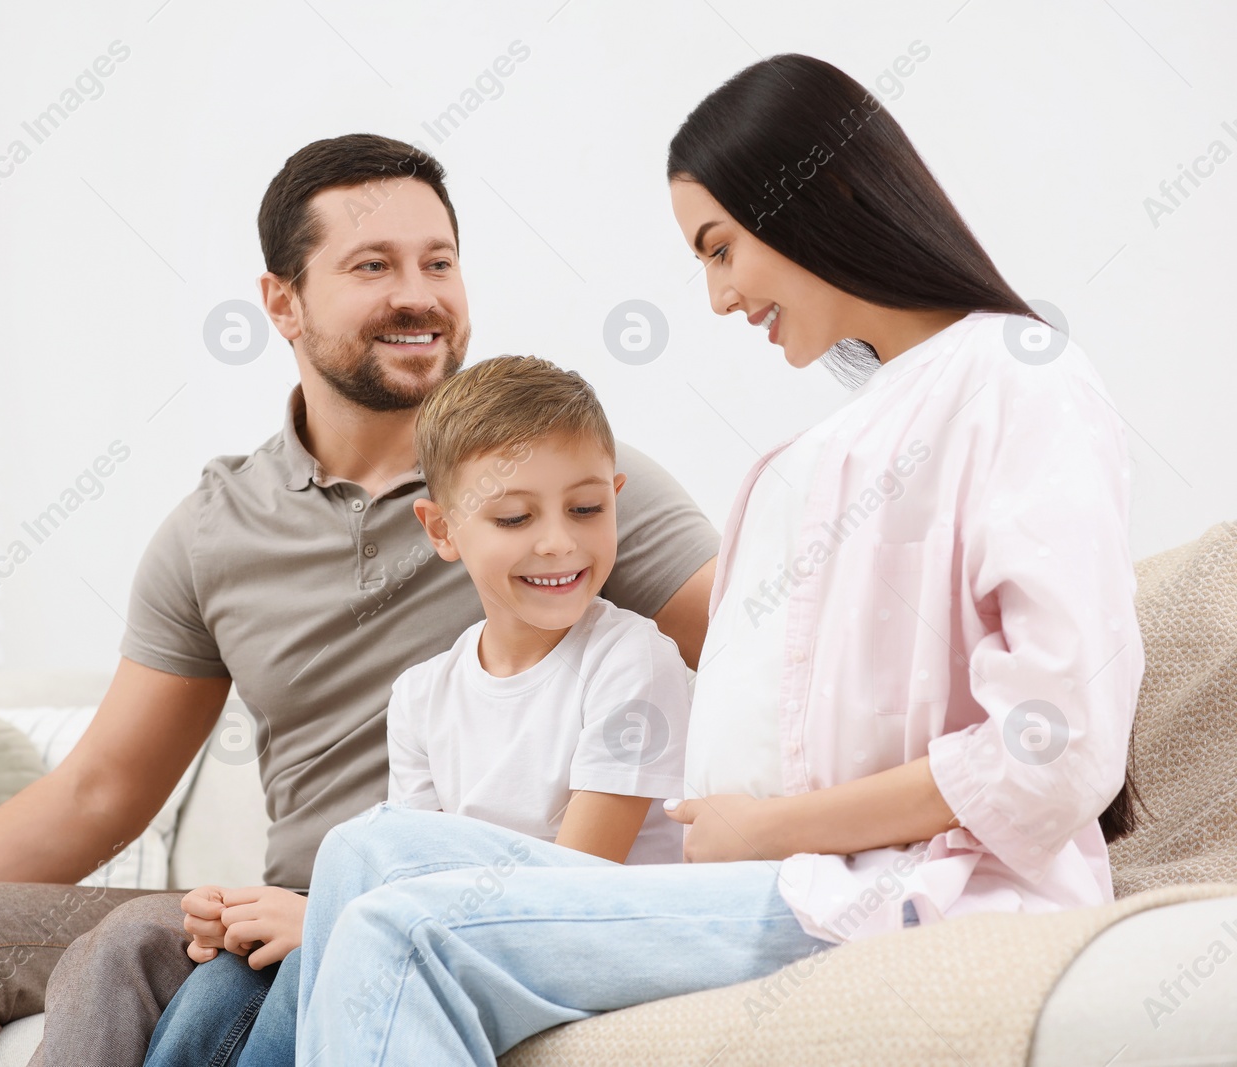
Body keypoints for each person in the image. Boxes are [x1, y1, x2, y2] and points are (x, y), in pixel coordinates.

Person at [293, 54, 1147, 1065]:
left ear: (815, 198)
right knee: (367, 849)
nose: (717, 296)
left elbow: (1052, 744)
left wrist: (773, 825)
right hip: (770, 867)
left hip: (891, 886)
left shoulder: (1015, 381)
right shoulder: (877, 415)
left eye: (719, 248)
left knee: (406, 932)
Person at [0, 133, 724, 1067]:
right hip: (263, 912)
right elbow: (102, 788)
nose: (418, 293)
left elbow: (756, 673)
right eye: (373, 264)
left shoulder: (574, 491)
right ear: (281, 303)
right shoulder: (215, 530)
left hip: (450, 908)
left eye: (439, 262)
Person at [143, 355, 693, 1066]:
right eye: (514, 515)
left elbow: (576, 884)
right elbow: (412, 872)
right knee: (218, 990)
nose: (559, 539)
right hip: (460, 930)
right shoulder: (424, 693)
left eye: (587, 508)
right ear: (441, 529)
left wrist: (328, 919)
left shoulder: (631, 660)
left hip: (575, 937)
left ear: (616, 497)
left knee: (325, 960)